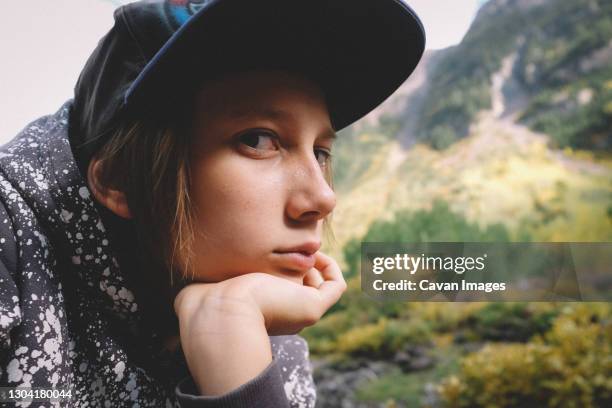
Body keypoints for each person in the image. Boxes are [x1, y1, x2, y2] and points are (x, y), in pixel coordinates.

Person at [0, 0, 425, 406]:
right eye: (258, 140)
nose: (323, 198)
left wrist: (233, 349)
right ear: (121, 180)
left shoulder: (255, 313)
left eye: (320, 151)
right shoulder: (9, 241)